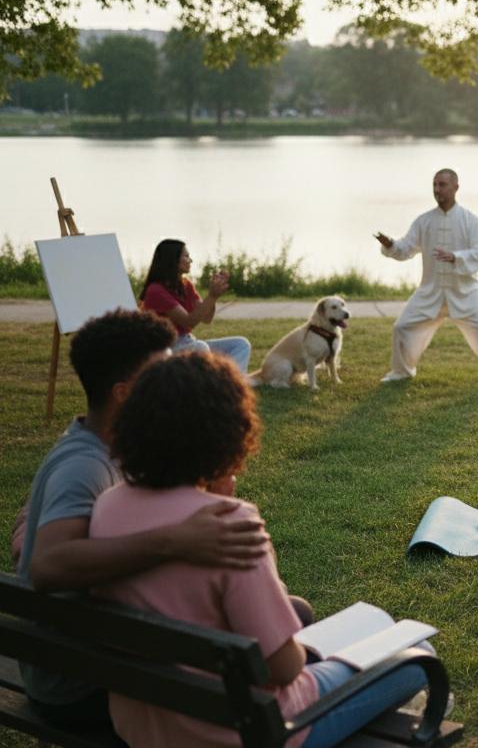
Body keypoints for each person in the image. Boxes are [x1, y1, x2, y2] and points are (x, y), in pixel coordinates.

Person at [89, 353, 431, 748]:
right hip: (251, 730)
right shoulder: (231, 523)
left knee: (361, 637)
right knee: (416, 652)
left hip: (142, 724)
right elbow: (284, 669)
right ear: (227, 432)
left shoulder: (108, 505)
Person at [11, 310, 269, 727]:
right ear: (124, 393)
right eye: (159, 374)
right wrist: (176, 539)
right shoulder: (86, 466)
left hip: (101, 652)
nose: (171, 382)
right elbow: (48, 567)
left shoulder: (110, 448)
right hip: (80, 685)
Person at [376, 167, 478, 383]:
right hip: (430, 291)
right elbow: (406, 248)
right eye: (434, 185)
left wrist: (456, 257)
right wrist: (390, 245)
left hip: (465, 291)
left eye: (442, 185)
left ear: (455, 187)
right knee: (402, 327)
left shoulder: (470, 220)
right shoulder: (424, 221)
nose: (437, 189)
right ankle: (401, 371)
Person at [138, 239, 251, 373]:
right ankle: (212, 382)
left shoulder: (186, 284)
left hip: (188, 342)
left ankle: (233, 381)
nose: (190, 260)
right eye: (186, 256)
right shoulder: (156, 290)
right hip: (167, 348)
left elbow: (207, 318)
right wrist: (212, 296)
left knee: (240, 344)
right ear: (173, 259)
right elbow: (188, 321)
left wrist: (214, 295)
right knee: (200, 347)